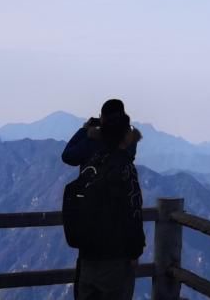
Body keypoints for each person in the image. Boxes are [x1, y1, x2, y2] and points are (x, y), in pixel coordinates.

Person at [69, 112, 145, 300]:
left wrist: (85, 130)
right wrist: (135, 251)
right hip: (115, 259)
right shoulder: (125, 167)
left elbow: (68, 155)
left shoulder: (92, 163)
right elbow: (133, 211)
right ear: (125, 135)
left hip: (87, 257)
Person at [62, 98, 141, 167]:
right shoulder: (130, 142)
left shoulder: (93, 141)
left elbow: (67, 156)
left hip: (95, 184)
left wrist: (84, 130)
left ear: (103, 119)